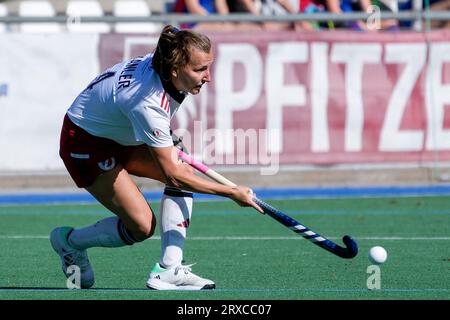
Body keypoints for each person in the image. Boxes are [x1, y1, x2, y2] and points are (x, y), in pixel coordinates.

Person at [50, 25, 263, 290]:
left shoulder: (167, 63)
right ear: (175, 70)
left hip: (121, 131)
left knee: (183, 172)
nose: (208, 76)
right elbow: (174, 174)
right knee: (142, 225)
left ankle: (169, 269)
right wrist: (231, 192)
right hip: (85, 143)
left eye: (208, 67)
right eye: (199, 70)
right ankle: (70, 242)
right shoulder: (147, 102)